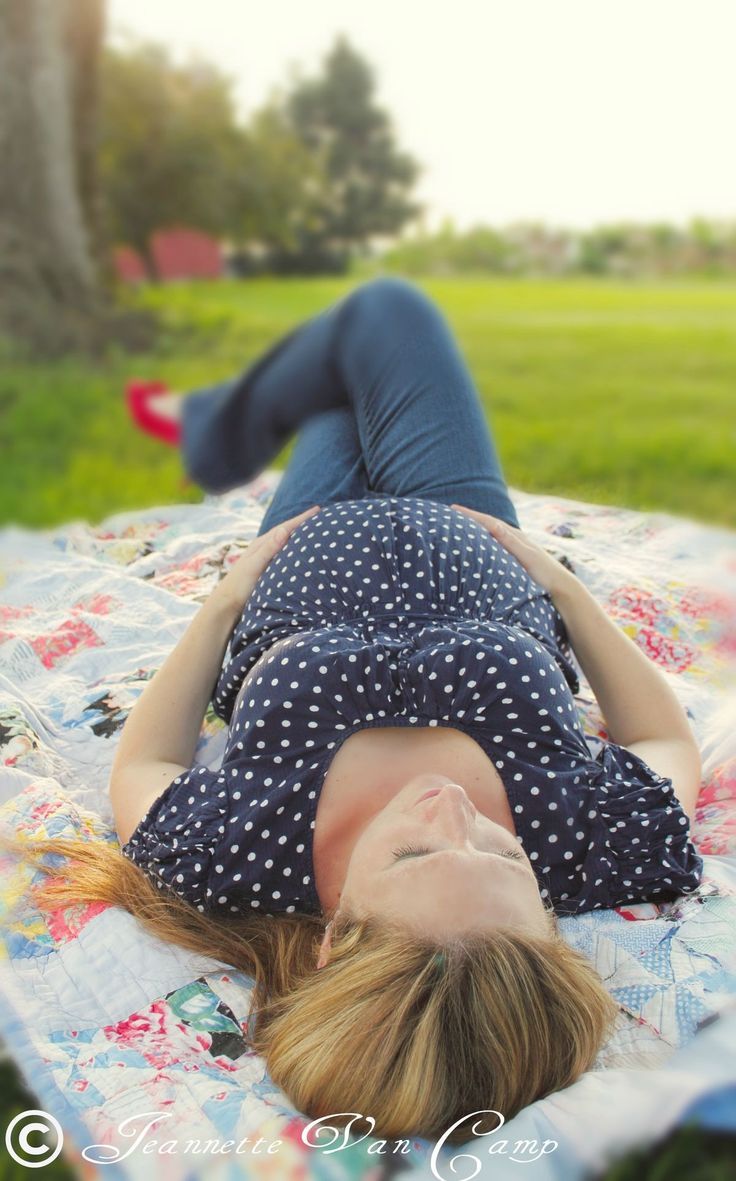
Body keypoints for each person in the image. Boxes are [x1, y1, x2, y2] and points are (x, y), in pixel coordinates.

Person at [21, 277, 704, 1145]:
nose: (452, 809)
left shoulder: (242, 855)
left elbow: (144, 764)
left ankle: (220, 424)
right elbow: (660, 738)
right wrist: (562, 585)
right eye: (503, 855)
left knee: (357, 357)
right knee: (386, 317)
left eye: (416, 853)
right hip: (468, 522)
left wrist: (226, 599)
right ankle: (223, 420)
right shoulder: (589, 846)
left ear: (336, 933)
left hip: (301, 545)